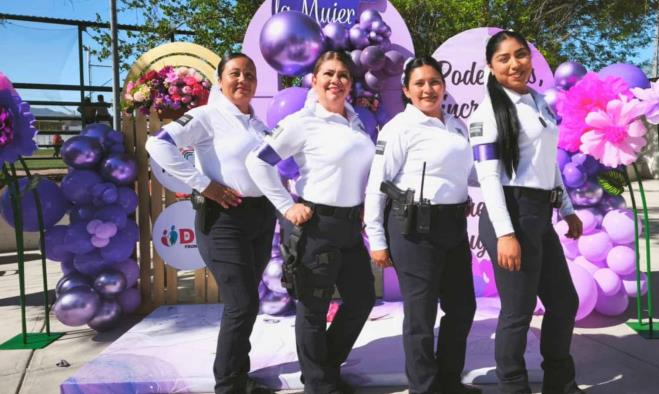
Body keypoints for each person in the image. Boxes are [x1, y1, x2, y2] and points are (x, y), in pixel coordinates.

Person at [145, 52, 276, 394]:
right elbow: (157, 145)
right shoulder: (206, 116)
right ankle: (229, 386)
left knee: (247, 302)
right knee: (242, 302)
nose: (243, 80)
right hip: (223, 220)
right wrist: (206, 185)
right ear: (220, 80)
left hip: (260, 217)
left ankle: (238, 375)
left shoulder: (259, 125)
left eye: (249, 74)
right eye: (235, 73)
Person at [246, 51, 376, 394]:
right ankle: (319, 385)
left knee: (361, 300)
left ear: (351, 83)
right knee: (314, 310)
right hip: (316, 226)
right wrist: (287, 206)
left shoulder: (356, 121)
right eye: (328, 74)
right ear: (314, 80)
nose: (336, 80)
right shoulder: (302, 122)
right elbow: (258, 163)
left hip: (349, 226)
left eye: (343, 75)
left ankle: (325, 370)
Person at [469, 30, 585, 394]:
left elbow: (546, 163)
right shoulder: (487, 112)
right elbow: (488, 179)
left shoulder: (538, 102)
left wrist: (566, 209)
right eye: (504, 58)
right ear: (490, 66)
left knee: (564, 302)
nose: (515, 63)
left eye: (520, 55)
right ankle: (513, 388)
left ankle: (559, 383)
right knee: (518, 313)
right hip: (509, 213)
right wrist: (505, 233)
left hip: (538, 212)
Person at [364, 56, 480, 394]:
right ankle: (424, 388)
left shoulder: (457, 125)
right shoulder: (399, 128)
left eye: (434, 82)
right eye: (420, 83)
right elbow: (377, 184)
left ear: (444, 87)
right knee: (421, 317)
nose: (428, 89)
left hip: (452, 227)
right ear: (406, 90)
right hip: (413, 229)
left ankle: (448, 381)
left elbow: (470, 173)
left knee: (462, 307)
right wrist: (377, 239)